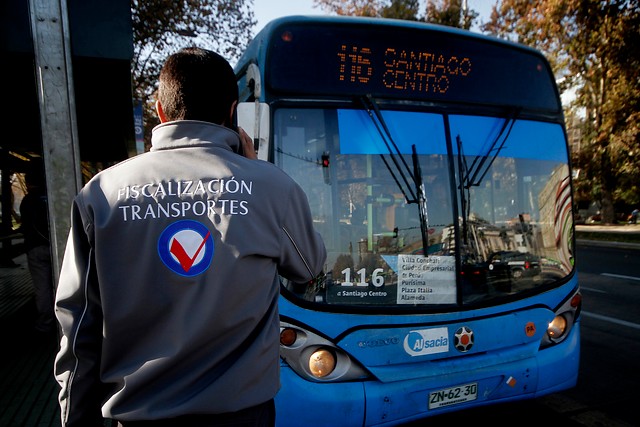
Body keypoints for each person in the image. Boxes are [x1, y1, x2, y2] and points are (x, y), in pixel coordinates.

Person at [54, 47, 326, 427]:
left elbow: (78, 328)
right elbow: (309, 268)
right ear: (233, 112)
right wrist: (254, 172)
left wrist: (75, 419)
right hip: (242, 418)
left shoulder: (100, 194)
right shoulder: (272, 188)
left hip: (137, 418)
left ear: (161, 111)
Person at [19, 164, 55, 332]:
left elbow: (25, 225)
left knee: (43, 288)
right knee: (64, 284)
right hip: (57, 245)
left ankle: (46, 323)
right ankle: (68, 320)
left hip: (35, 247)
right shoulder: (54, 196)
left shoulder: (28, 201)